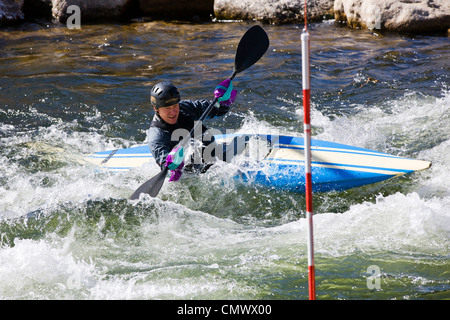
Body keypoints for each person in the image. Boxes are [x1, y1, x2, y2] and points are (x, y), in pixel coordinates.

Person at [148, 80, 237, 182]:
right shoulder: (156, 137)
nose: (173, 112)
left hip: (217, 158)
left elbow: (216, 110)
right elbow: (167, 172)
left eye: (175, 106)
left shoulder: (186, 108)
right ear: (156, 108)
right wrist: (174, 167)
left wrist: (222, 102)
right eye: (167, 108)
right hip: (196, 176)